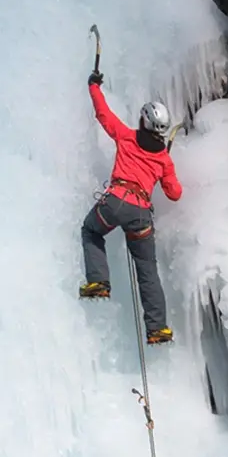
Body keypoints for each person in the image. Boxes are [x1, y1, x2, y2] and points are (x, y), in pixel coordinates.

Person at [78, 65, 184, 345]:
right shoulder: (164, 159)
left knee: (91, 231)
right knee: (147, 269)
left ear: (143, 121)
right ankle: (157, 328)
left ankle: (99, 282)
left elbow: (104, 115)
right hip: (140, 216)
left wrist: (94, 86)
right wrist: (163, 171)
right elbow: (175, 193)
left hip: (115, 202)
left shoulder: (126, 136)